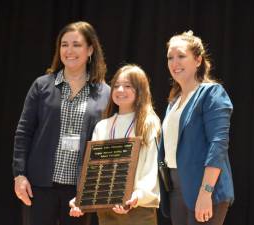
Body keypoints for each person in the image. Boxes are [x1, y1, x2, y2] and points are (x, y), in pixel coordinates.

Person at [12, 21, 110, 225]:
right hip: (39, 186)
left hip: (79, 192)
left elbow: (107, 144)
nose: (69, 50)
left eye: (76, 44)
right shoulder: (42, 85)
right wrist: (19, 175)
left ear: (90, 49)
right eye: (64, 45)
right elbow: (23, 133)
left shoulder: (105, 93)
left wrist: (94, 190)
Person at [158, 31, 234, 225]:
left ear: (198, 60)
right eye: (170, 58)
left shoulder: (212, 93)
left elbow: (218, 145)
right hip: (176, 189)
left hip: (204, 188)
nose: (174, 63)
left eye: (181, 56)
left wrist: (205, 192)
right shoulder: (173, 102)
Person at [69, 64, 161, 225]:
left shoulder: (148, 123)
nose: (120, 90)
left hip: (138, 210)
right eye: (116, 85)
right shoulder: (102, 126)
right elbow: (94, 170)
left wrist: (137, 196)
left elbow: (151, 167)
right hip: (106, 211)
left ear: (140, 90)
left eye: (127, 86)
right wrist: (82, 200)